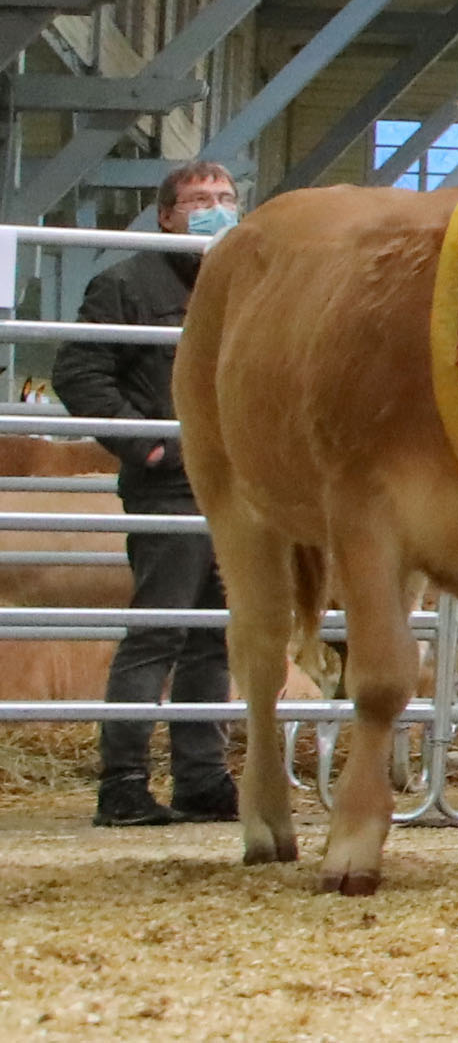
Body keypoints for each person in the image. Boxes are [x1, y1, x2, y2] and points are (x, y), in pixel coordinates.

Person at [66, 161, 236, 829]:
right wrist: (148, 442)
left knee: (215, 636)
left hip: (234, 483)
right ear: (166, 215)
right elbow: (79, 368)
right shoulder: (125, 284)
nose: (214, 209)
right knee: (159, 629)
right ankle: (124, 782)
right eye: (199, 199)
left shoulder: (246, 281)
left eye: (225, 198)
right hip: (169, 483)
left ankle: (201, 777)